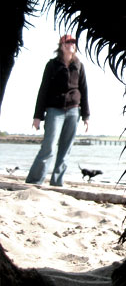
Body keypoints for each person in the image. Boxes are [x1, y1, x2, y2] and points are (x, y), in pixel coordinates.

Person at [25, 34, 90, 187]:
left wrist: (86, 115)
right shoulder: (52, 65)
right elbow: (43, 90)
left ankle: (57, 182)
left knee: (65, 149)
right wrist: (37, 116)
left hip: (74, 111)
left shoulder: (79, 65)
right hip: (54, 110)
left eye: (73, 43)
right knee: (48, 146)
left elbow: (84, 90)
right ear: (61, 45)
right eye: (67, 43)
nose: (70, 45)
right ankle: (35, 180)